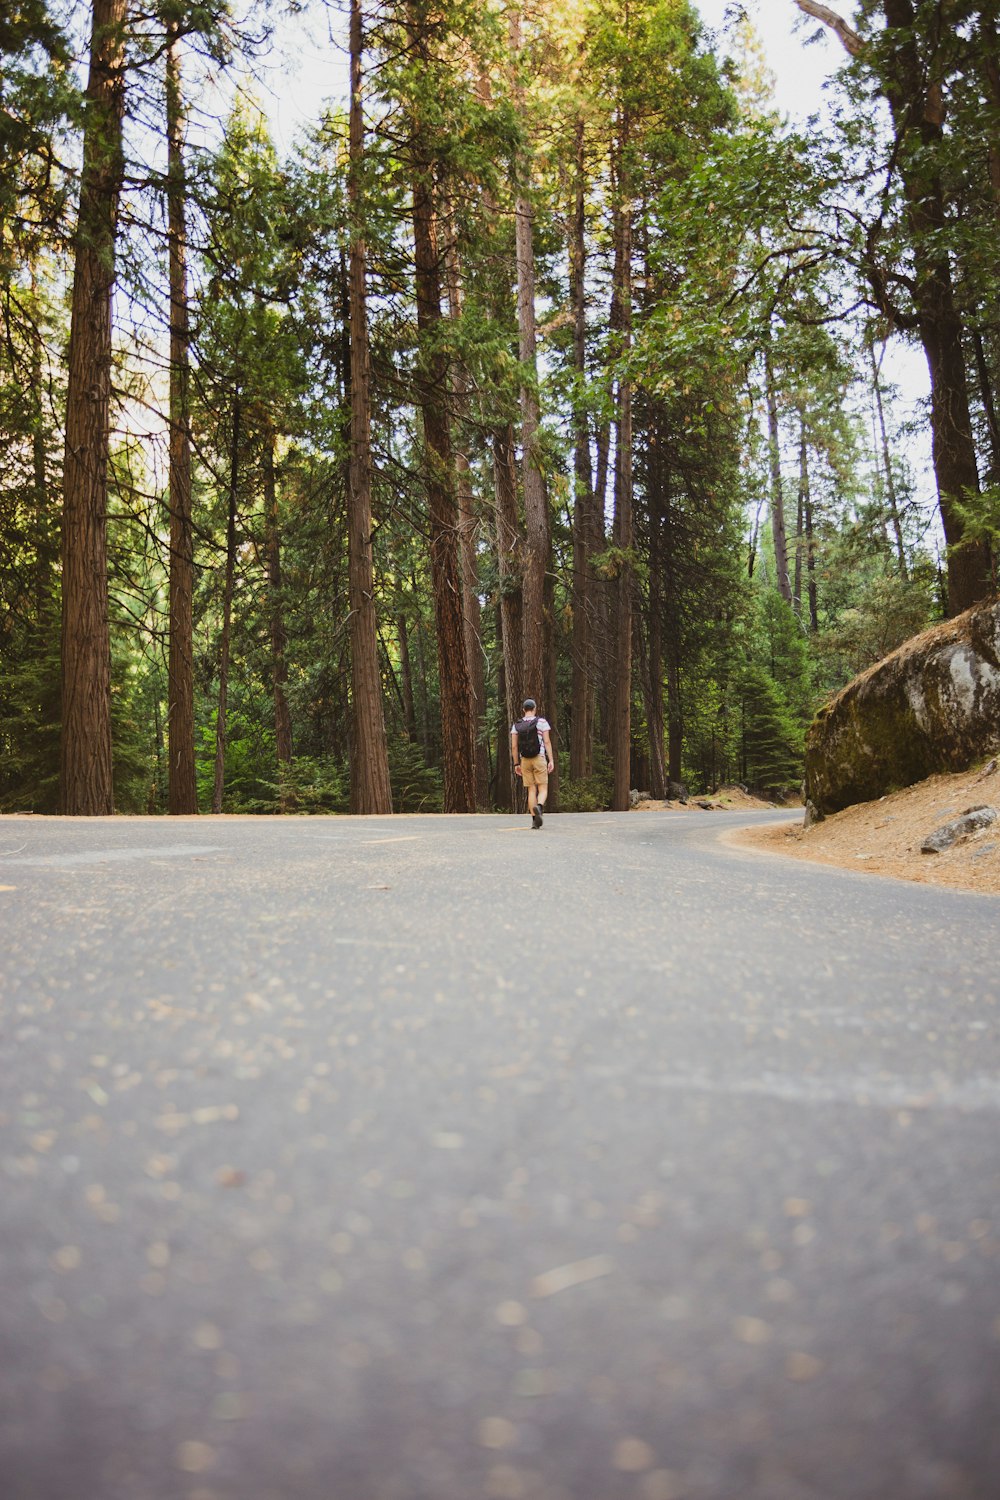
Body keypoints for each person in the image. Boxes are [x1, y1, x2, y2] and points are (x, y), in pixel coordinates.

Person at [511, 698, 554, 829]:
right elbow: (546, 742)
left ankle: (535, 821)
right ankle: (539, 806)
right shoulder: (541, 722)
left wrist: (516, 764)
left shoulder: (517, 725)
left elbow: (514, 746)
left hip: (524, 760)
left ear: (524, 710)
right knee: (543, 788)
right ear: (535, 708)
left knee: (531, 789)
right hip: (539, 757)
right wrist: (551, 759)